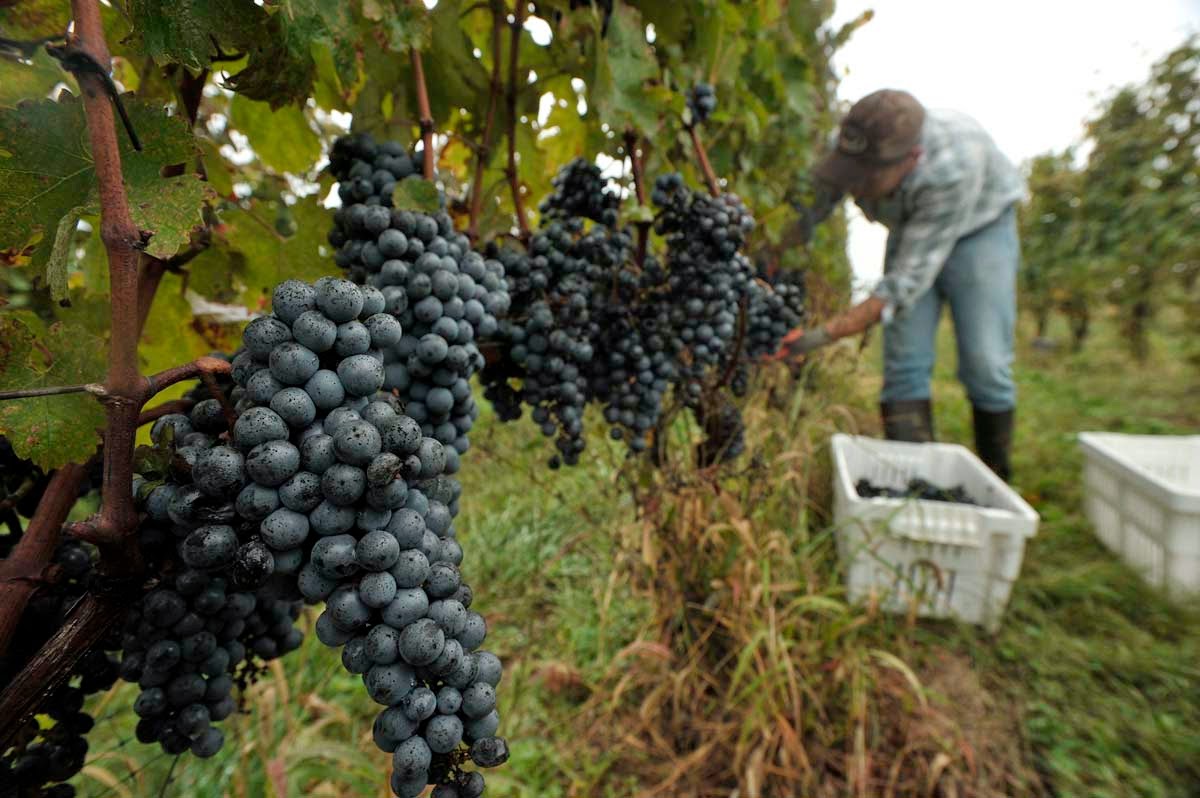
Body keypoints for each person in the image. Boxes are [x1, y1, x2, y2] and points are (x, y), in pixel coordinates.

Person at [771, 89, 1024, 482]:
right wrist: (765, 264)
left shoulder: (952, 167)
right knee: (904, 364)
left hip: (979, 230)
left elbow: (902, 286)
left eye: (865, 178)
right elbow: (807, 212)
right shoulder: (852, 146)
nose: (853, 187)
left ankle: (995, 481)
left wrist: (816, 337)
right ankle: (914, 486)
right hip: (911, 227)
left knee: (985, 362)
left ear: (912, 160)